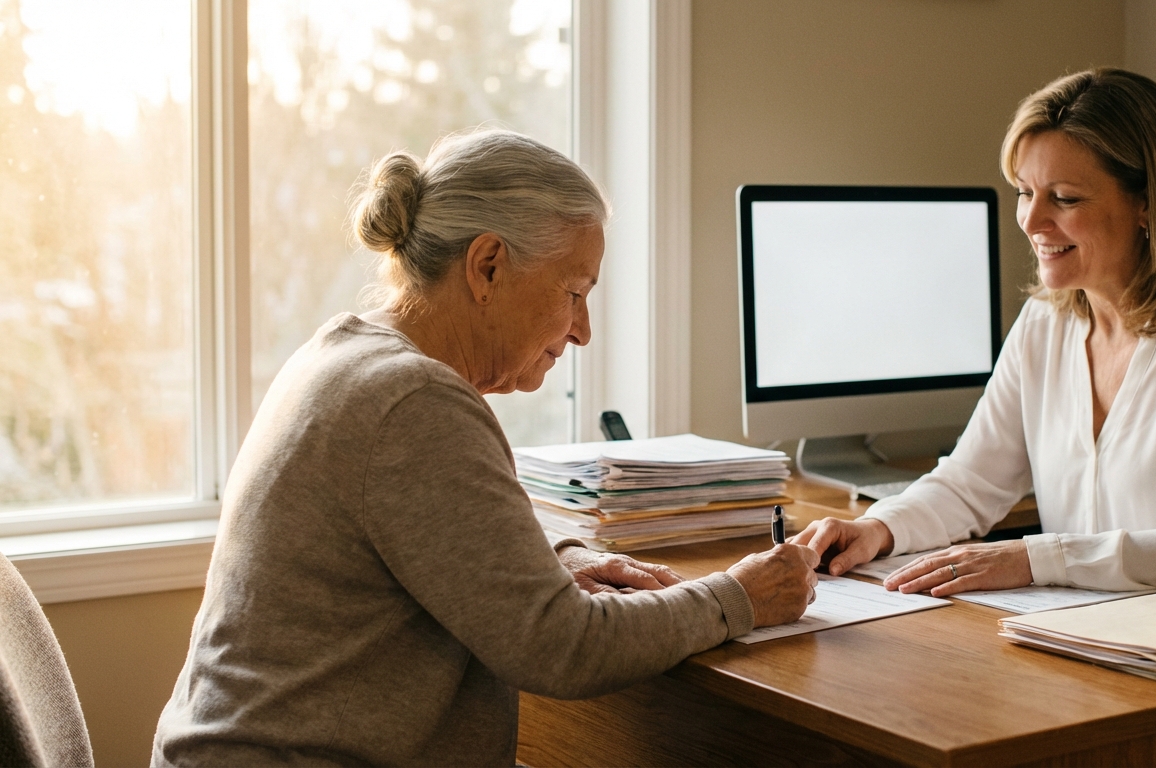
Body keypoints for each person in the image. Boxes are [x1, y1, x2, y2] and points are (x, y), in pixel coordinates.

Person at [152, 130, 819, 767]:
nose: (582, 330)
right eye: (575, 292)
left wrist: (561, 559)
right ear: (488, 265)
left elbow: (442, 541)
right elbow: (564, 649)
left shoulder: (349, 351)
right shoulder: (413, 400)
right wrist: (739, 597)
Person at [794, 68, 1156, 600]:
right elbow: (970, 482)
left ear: (1148, 203)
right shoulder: (1044, 324)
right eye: (1026, 192)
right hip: (1103, 635)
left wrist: (1032, 557)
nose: (1031, 221)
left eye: (1065, 198)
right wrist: (877, 529)